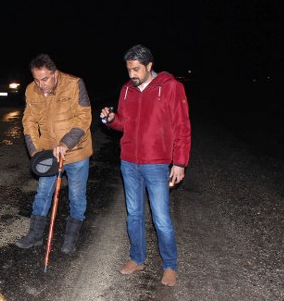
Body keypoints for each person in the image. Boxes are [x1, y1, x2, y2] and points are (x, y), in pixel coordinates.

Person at [101, 44, 191, 286]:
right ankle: (137, 258)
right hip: (129, 161)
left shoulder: (172, 87)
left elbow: (182, 127)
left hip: (157, 163)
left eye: (137, 69)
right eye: (129, 69)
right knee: (134, 214)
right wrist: (111, 120)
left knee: (161, 218)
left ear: (149, 66)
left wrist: (179, 162)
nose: (132, 74)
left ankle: (170, 265)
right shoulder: (126, 90)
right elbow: (123, 123)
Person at [16, 54, 93, 254]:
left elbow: (84, 117)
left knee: (76, 197)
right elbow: (29, 122)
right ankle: (35, 235)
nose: (40, 85)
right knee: (43, 193)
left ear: (55, 74)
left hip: (76, 152)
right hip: (48, 154)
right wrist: (34, 151)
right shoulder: (31, 91)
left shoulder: (75, 84)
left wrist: (66, 142)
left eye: (45, 79)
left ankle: (71, 238)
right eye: (36, 79)